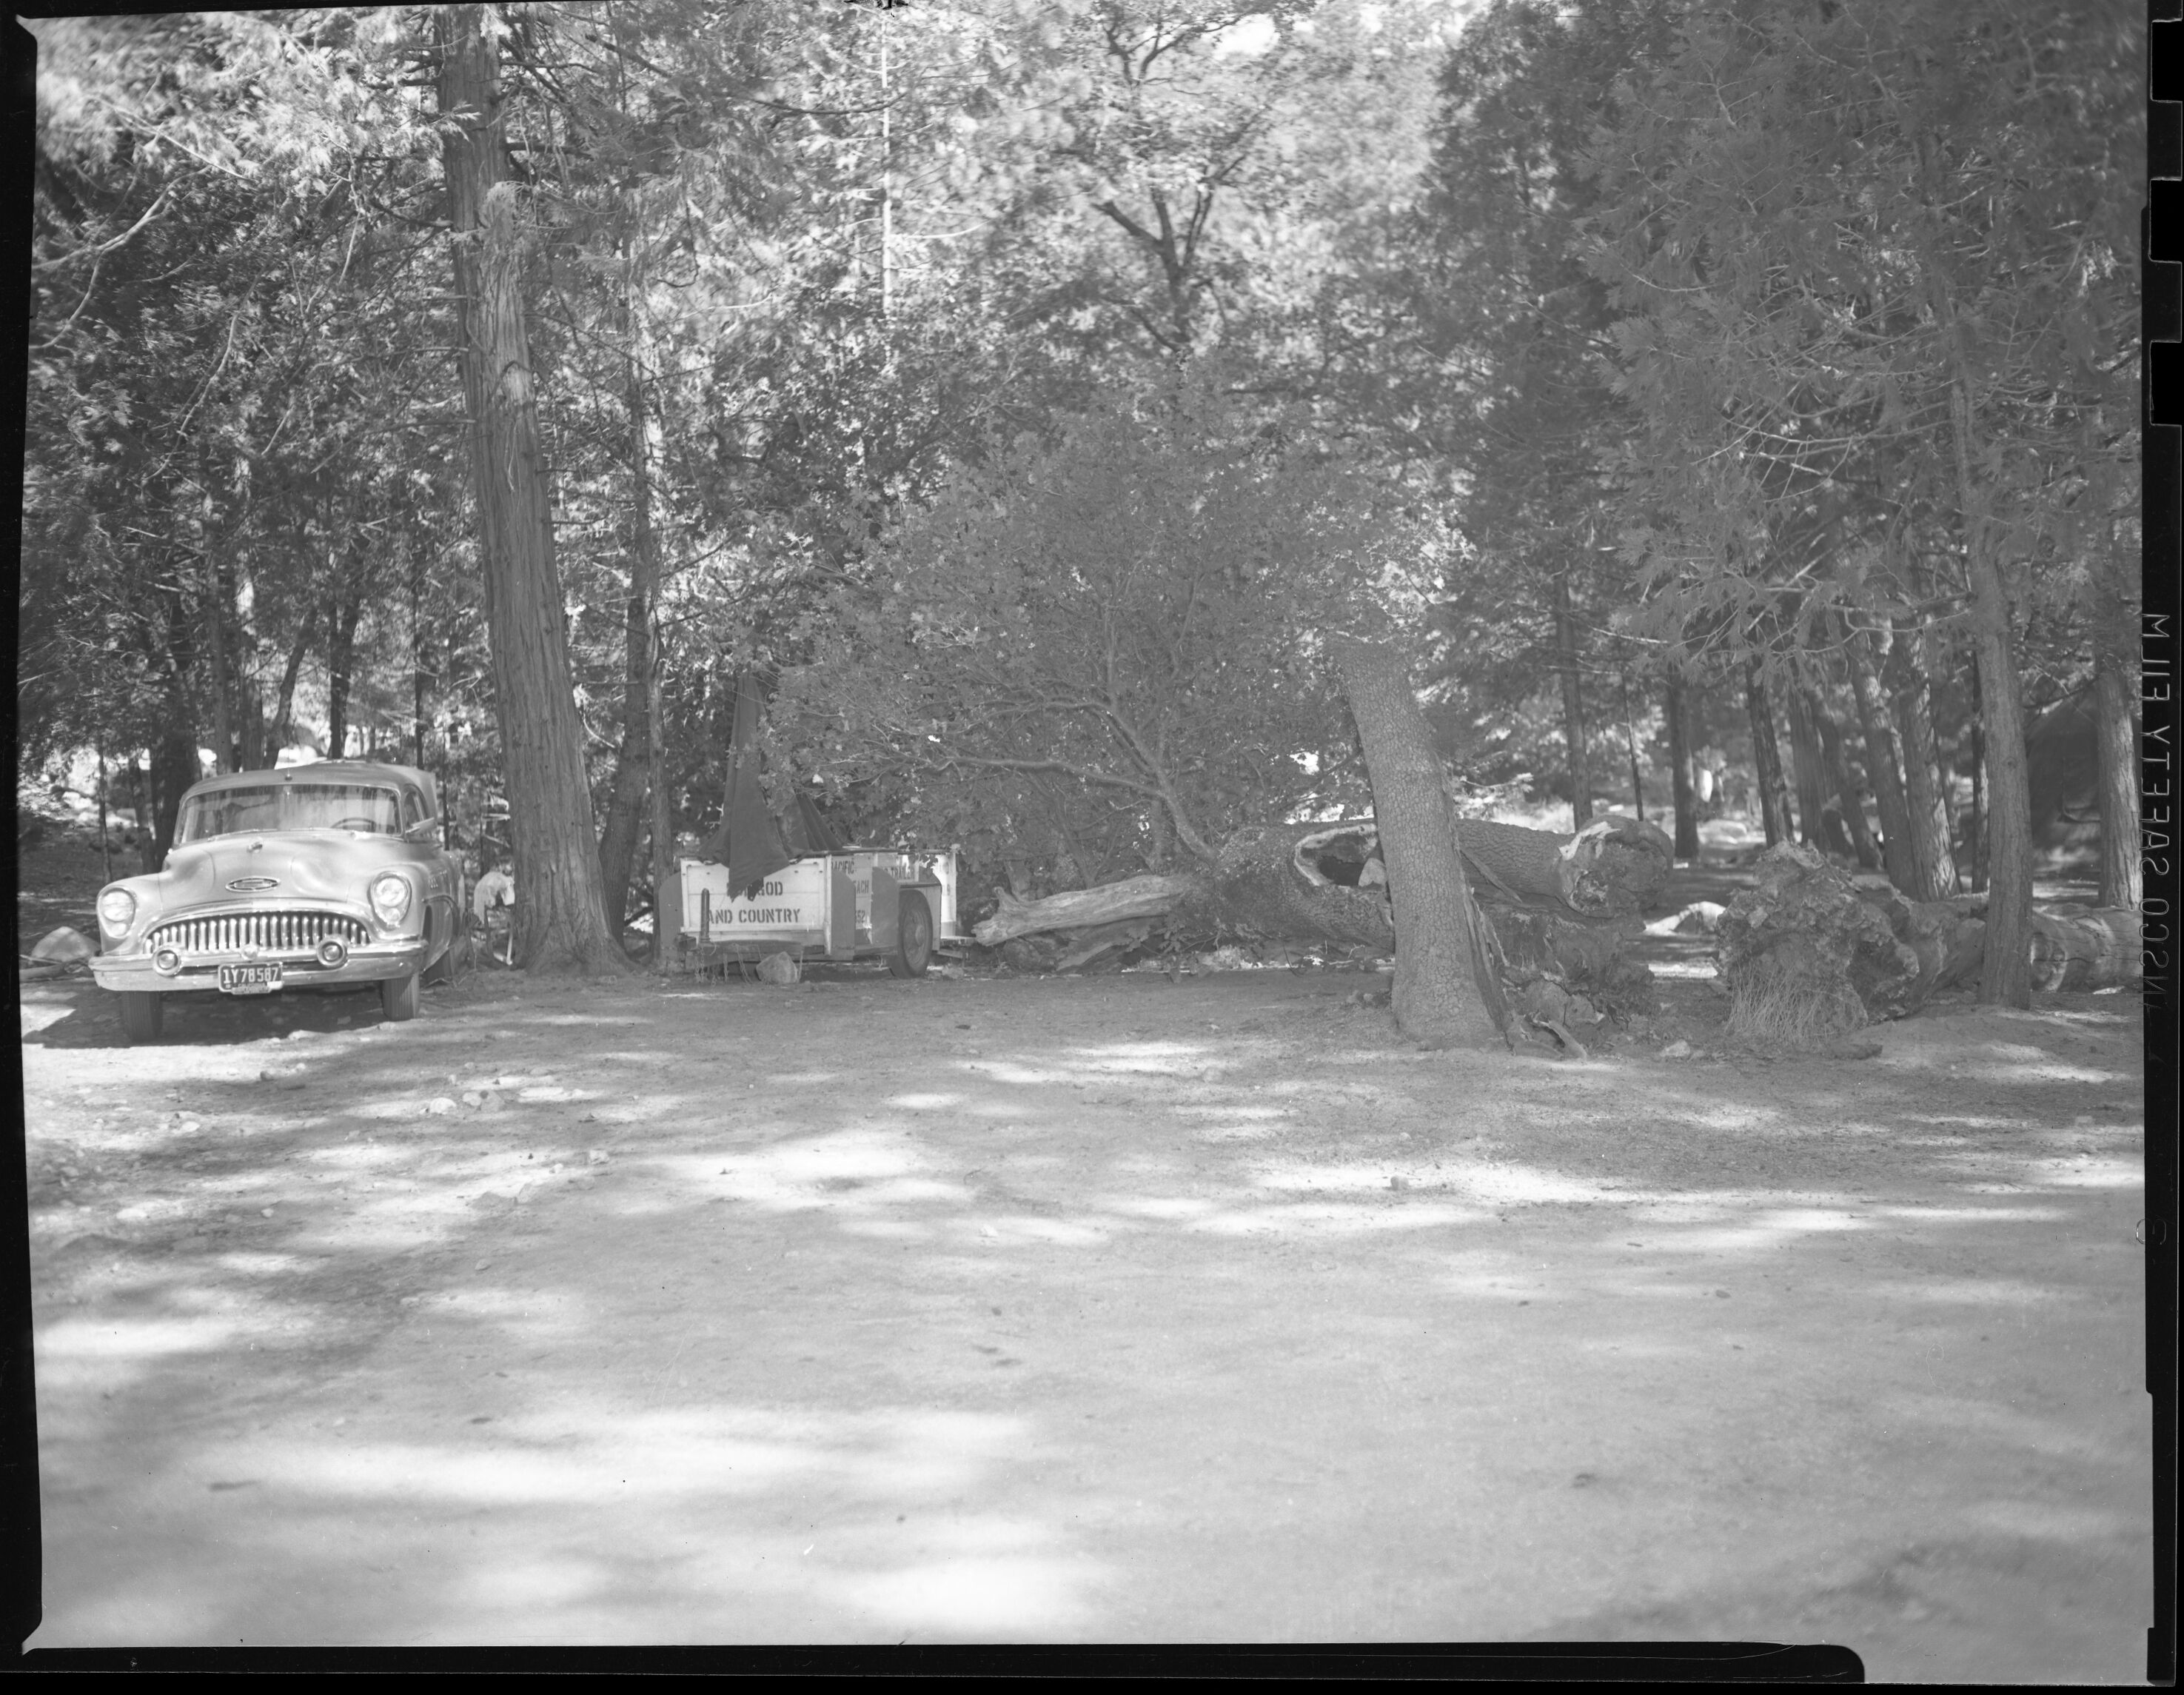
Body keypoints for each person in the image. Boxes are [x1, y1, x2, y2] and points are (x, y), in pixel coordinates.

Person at [472, 863, 516, 965]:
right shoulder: (505, 883)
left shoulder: (504, 881)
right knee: (486, 922)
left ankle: (492, 950)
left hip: (487, 890)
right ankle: (491, 952)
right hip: (486, 892)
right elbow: (510, 902)